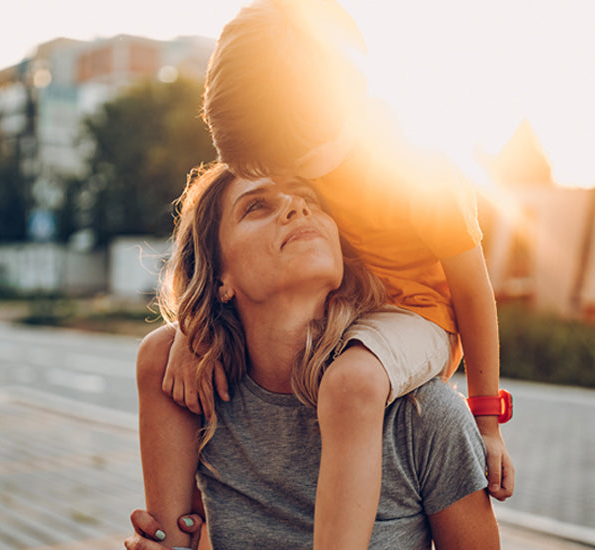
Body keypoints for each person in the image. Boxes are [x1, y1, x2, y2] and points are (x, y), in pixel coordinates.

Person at [156, 1, 516, 548]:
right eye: (268, 168)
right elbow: (217, 228)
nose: (288, 183)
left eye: (294, 158)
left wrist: (486, 421)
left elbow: (472, 287)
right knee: (158, 352)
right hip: (360, 306)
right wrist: (191, 327)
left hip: (419, 315)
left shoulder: (418, 169)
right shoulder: (289, 137)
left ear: (343, 101)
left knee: (350, 385)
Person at [127, 165, 501, 549]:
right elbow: (181, 537)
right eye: (256, 206)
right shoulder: (197, 393)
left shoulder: (424, 417)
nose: (296, 208)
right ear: (219, 276)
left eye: (311, 199)